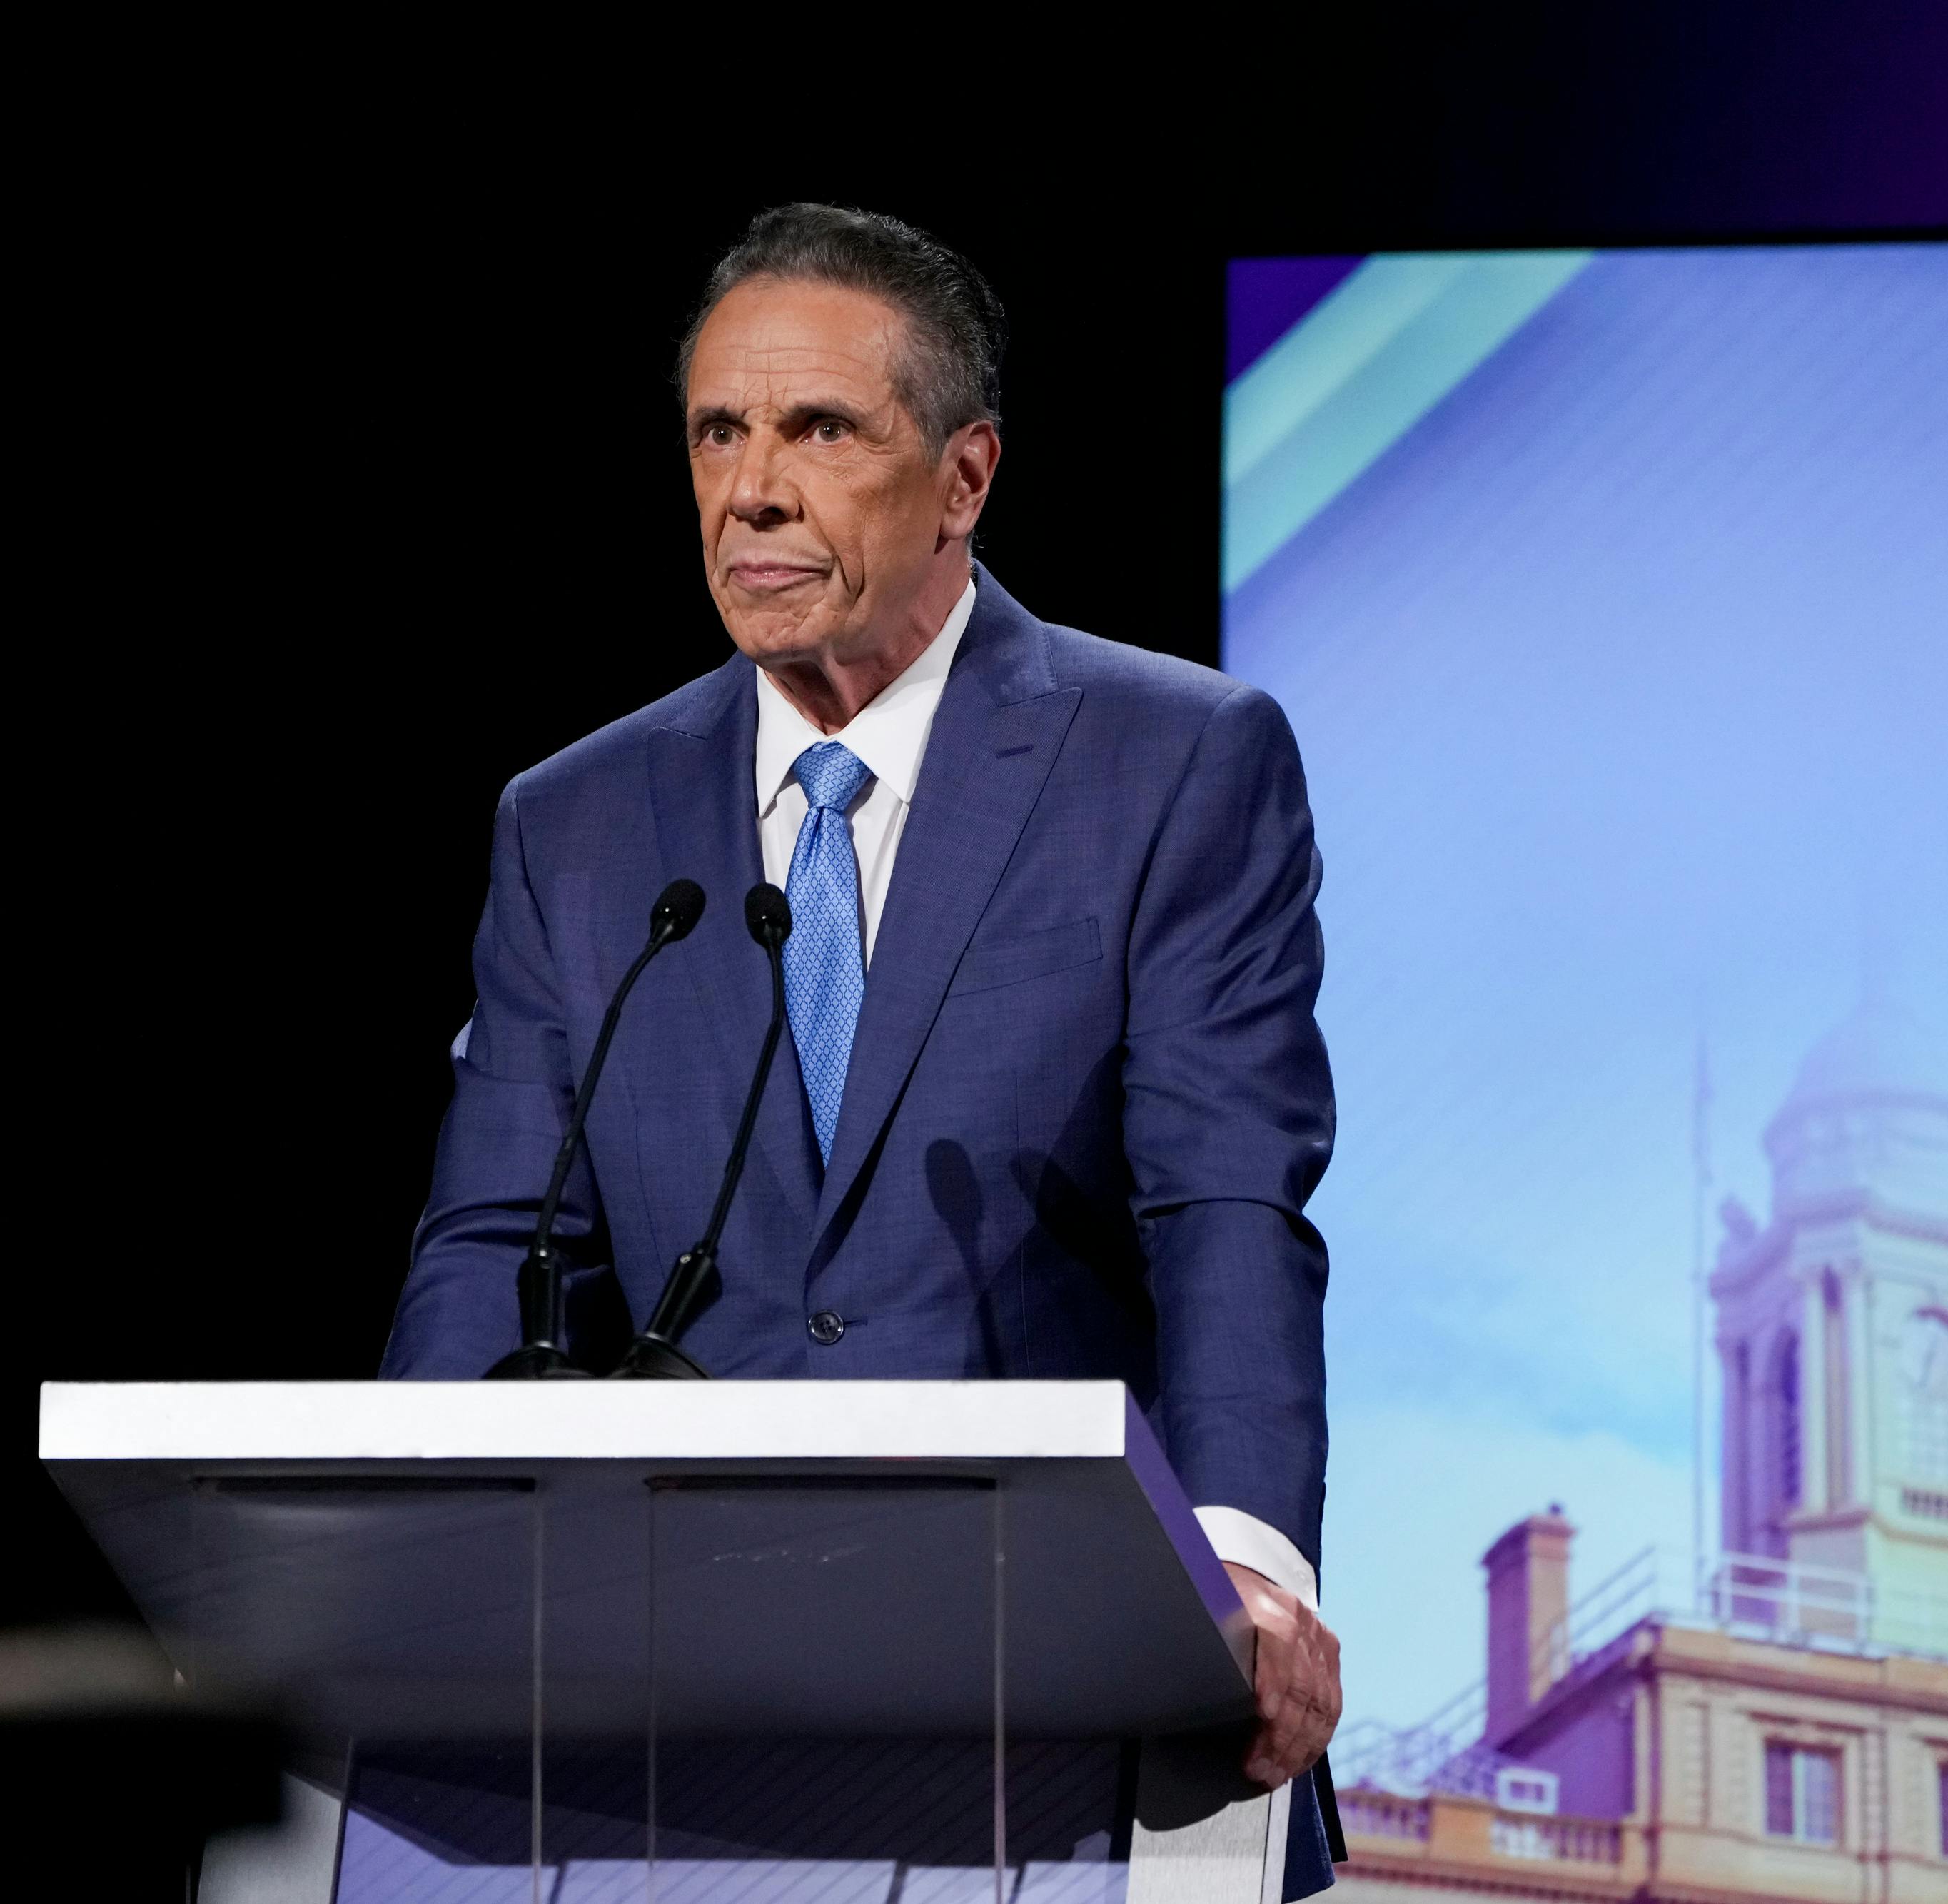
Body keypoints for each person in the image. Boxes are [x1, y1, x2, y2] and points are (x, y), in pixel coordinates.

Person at [382, 202, 1343, 1895]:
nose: (750, 488)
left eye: (820, 429)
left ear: (965, 475)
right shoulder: (576, 821)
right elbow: (493, 1251)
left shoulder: (1174, 762)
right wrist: (414, 1570)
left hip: (1064, 1703)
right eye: (717, 431)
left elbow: (1224, 1210)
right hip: (667, 1738)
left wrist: (1249, 1567)